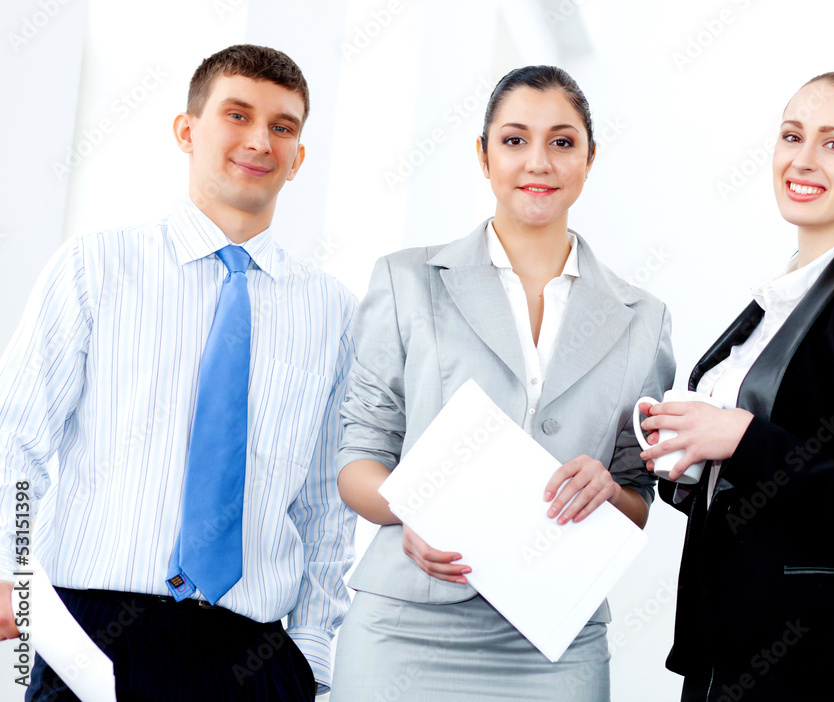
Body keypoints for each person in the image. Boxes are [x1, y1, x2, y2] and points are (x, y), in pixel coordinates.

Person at [0, 44, 356, 700]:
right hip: (95, 632)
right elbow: (17, 438)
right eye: (237, 115)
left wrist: (310, 652)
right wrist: (11, 576)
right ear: (187, 131)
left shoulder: (330, 310)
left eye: (282, 126)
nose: (260, 140)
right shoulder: (95, 268)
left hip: (256, 655)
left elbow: (324, 501)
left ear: (299, 158)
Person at [330, 65, 675, 701]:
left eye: (562, 142)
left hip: (557, 644)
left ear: (590, 158)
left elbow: (636, 496)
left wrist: (608, 490)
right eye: (515, 140)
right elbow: (358, 457)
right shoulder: (407, 281)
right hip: (406, 628)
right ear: (483, 155)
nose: (538, 161)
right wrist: (411, 507)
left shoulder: (642, 318)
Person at [639, 72, 834, 701]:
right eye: (792, 136)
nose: (802, 160)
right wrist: (691, 465)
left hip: (809, 670)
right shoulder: (776, 302)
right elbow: (764, 489)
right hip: (722, 657)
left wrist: (743, 439)